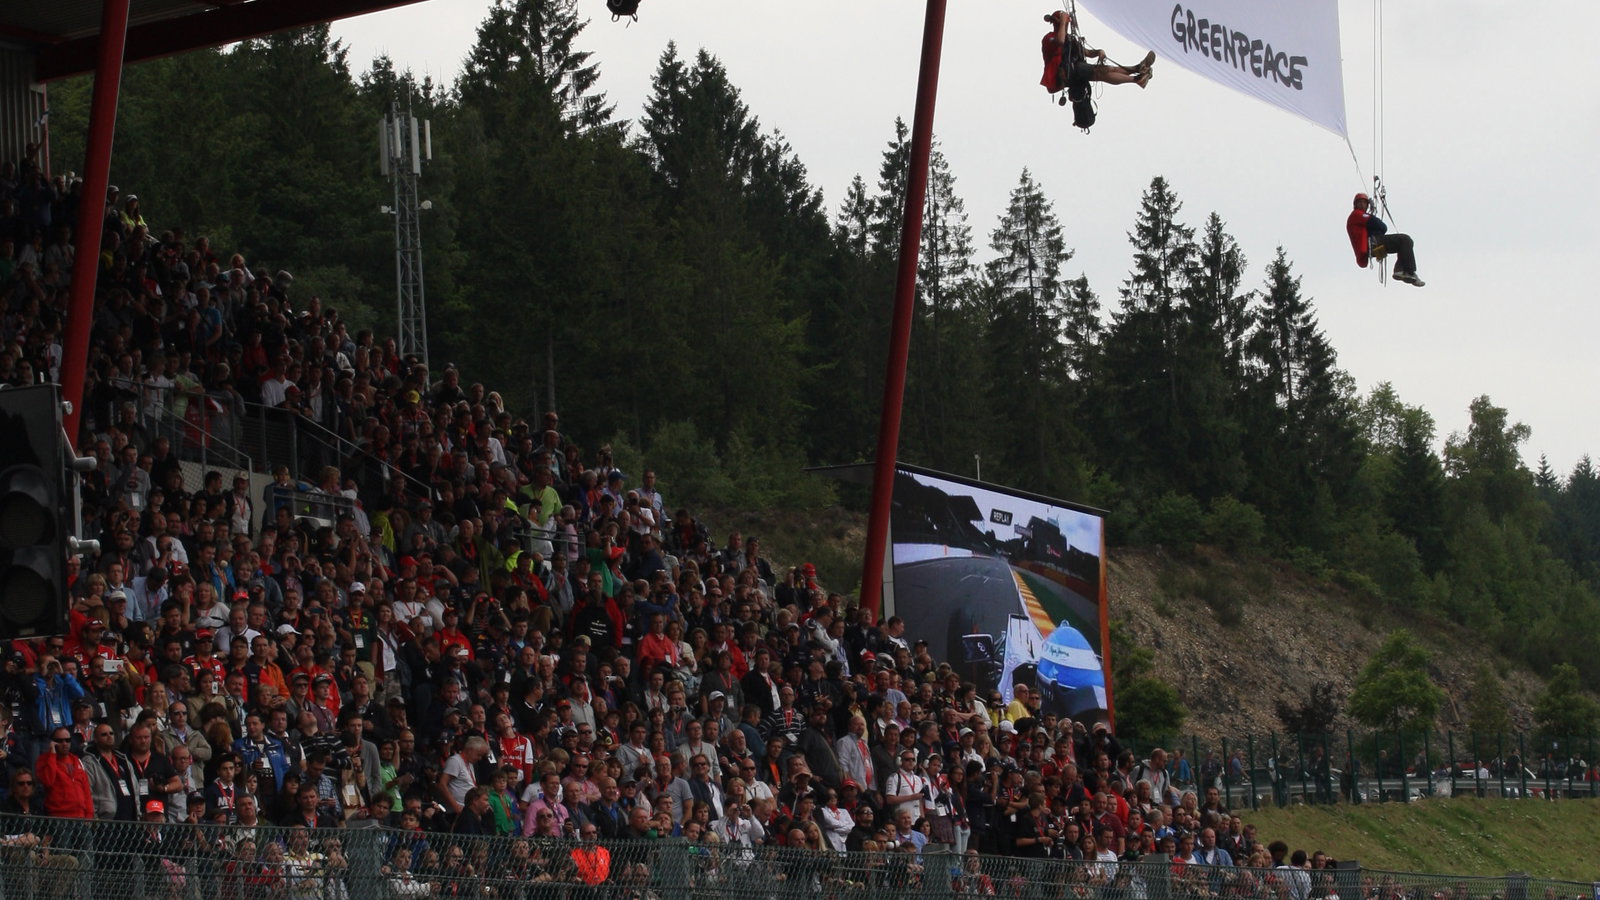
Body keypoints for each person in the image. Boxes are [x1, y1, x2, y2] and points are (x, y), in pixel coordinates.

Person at [1041, 10, 1154, 94]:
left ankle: (1137, 68)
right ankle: (1137, 79)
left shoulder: (1070, 39)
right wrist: (1063, 20)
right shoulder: (1049, 38)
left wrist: (1099, 52)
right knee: (1102, 73)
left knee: (1110, 69)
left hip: (1074, 69)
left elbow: (1087, 53)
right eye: (1065, 23)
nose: (1066, 25)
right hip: (1065, 73)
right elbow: (1060, 41)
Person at [1346, 192, 1424, 286]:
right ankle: (1407, 271)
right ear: (1355, 205)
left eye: (1364, 202)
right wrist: (1373, 219)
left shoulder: (1359, 218)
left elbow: (1376, 226)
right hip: (1373, 243)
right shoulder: (1357, 215)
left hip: (1372, 244)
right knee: (1405, 240)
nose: (1362, 204)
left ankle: (1403, 270)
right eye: (1360, 202)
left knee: (1405, 243)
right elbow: (1382, 226)